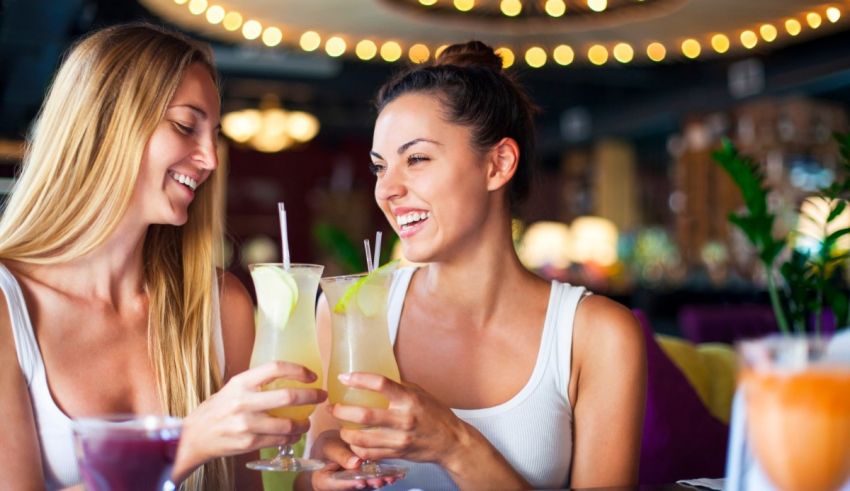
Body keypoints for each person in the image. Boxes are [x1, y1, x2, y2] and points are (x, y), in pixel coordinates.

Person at [302, 41, 647, 490]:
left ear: (498, 164)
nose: (386, 189)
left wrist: (454, 444)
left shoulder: (597, 336)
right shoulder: (350, 310)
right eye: (379, 167)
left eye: (417, 159)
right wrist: (319, 478)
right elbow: (307, 470)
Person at [0, 23, 325, 491]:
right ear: (107, 125)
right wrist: (186, 444)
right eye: (185, 126)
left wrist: (316, 485)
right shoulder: (9, 307)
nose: (211, 159)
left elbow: (249, 486)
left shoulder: (220, 305)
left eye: (214, 134)